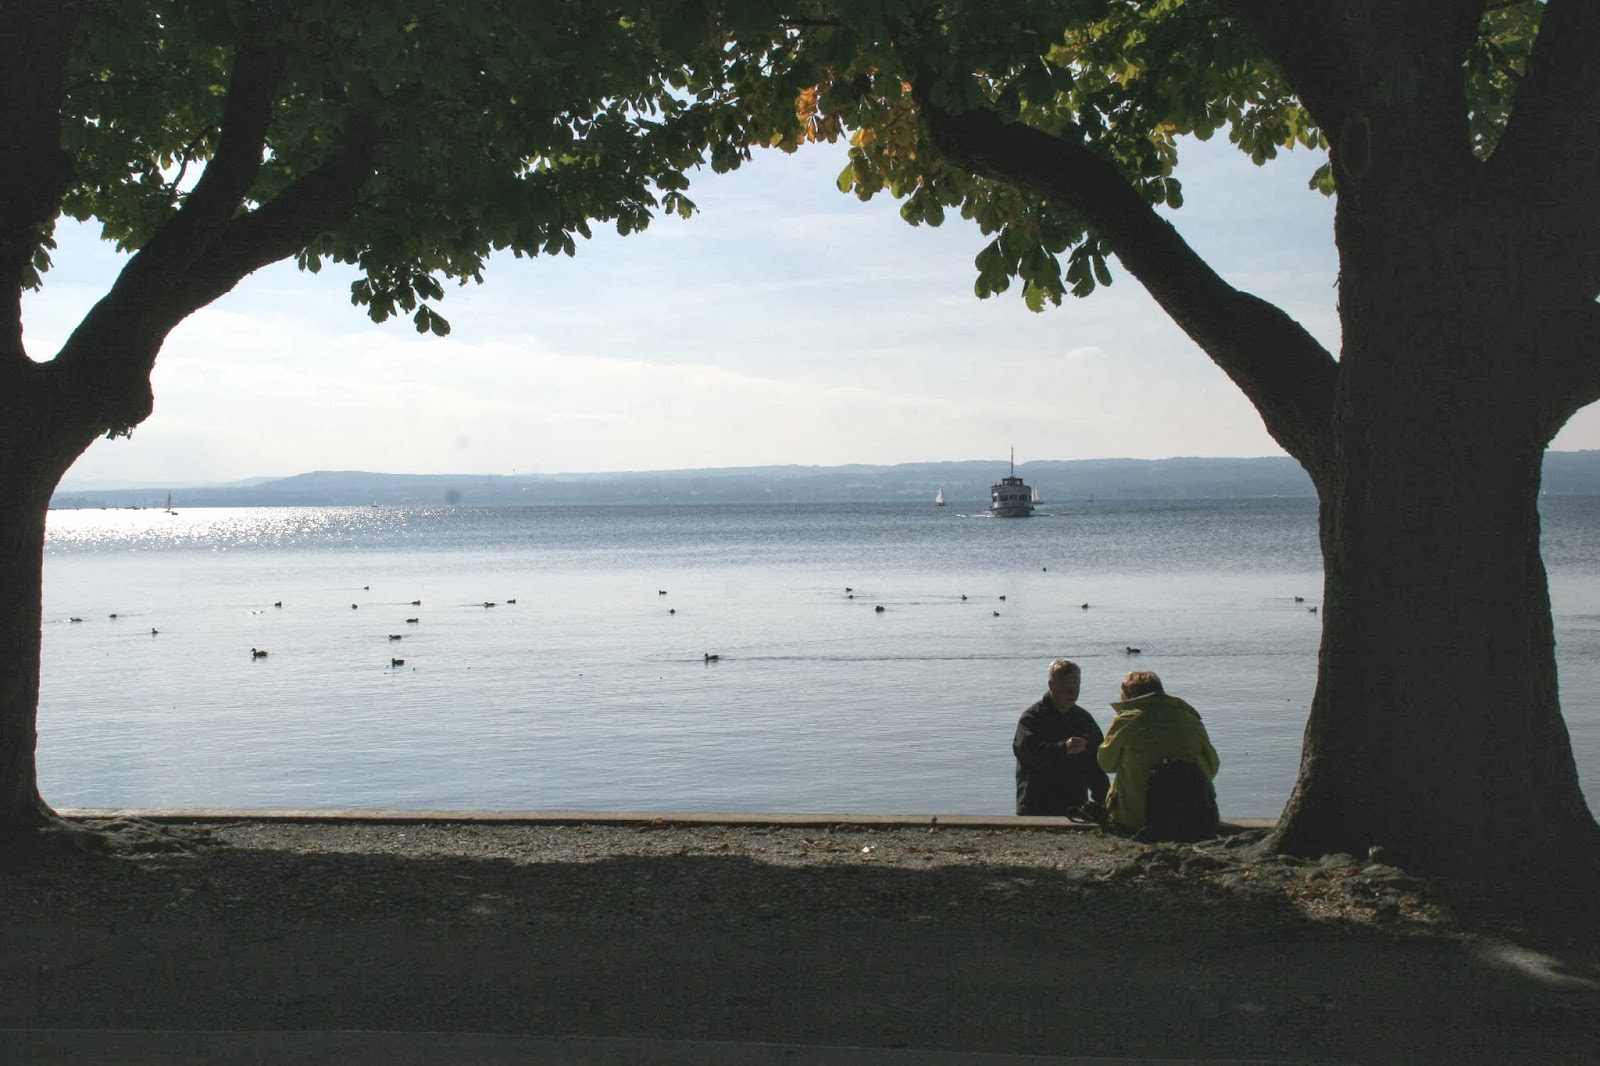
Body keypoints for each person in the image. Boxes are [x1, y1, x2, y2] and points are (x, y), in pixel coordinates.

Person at [1098, 670, 1221, 840]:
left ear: (1125, 691)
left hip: (1137, 819)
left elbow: (1106, 764)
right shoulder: (1190, 718)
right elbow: (1212, 766)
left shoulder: (1126, 721)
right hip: (1193, 814)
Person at [1014, 658, 1110, 817]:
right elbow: (1028, 755)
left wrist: (1106, 803)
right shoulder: (1032, 718)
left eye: (1076, 687)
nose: (1072, 694)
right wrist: (1063, 748)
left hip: (1075, 806)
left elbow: (1096, 766)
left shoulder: (1084, 719)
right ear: (1052, 685)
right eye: (1067, 688)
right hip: (1036, 807)